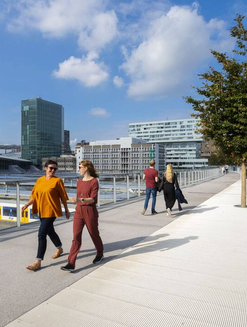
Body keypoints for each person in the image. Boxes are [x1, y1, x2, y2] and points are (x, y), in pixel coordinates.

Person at [22, 160, 70, 271]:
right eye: (51, 168)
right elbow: (34, 196)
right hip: (41, 210)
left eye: (55, 169)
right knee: (50, 231)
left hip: (52, 211)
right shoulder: (40, 180)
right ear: (45, 168)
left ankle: (38, 261)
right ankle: (59, 248)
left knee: (41, 233)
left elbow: (63, 197)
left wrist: (66, 210)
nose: (53, 170)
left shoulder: (57, 181)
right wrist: (26, 205)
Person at [61, 160, 104, 272]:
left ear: (86, 168)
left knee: (94, 234)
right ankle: (71, 262)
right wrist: (76, 201)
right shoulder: (79, 181)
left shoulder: (94, 181)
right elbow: (78, 197)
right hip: (79, 211)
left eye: (80, 167)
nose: (79, 169)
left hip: (90, 211)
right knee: (76, 236)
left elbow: (93, 199)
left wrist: (80, 199)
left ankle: (100, 253)